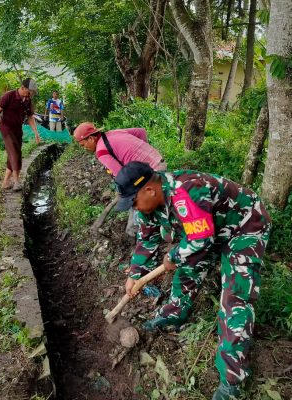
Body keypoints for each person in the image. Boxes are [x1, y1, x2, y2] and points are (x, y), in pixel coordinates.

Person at [114, 161, 271, 400]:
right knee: (188, 270)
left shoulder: (185, 191)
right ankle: (173, 315)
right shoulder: (150, 205)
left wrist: (172, 256)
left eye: (133, 202)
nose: (133, 209)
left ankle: (232, 380)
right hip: (211, 230)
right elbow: (146, 239)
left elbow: (200, 240)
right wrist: (136, 273)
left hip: (243, 226)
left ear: (149, 190)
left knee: (234, 298)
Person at [73, 122, 166, 235]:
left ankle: (144, 234)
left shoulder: (101, 151)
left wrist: (122, 192)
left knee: (134, 204)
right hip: (158, 161)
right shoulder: (114, 132)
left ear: (91, 139)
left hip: (151, 173)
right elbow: (141, 131)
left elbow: (122, 176)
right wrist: (143, 153)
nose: (84, 148)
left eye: (83, 145)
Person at [0, 78, 41, 192]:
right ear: (23, 88)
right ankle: (16, 181)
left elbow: (30, 117)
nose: (30, 95)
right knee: (14, 152)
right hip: (6, 128)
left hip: (18, 129)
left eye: (31, 93)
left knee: (15, 153)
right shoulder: (8, 96)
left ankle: (5, 182)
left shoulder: (27, 101)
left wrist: (36, 133)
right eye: (29, 92)